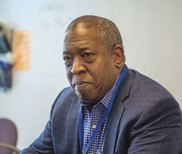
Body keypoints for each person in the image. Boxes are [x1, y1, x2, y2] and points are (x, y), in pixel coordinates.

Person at [20, 15, 182, 154]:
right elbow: (37, 151)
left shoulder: (154, 108)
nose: (75, 69)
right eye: (67, 59)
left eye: (87, 55)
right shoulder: (65, 100)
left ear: (117, 56)